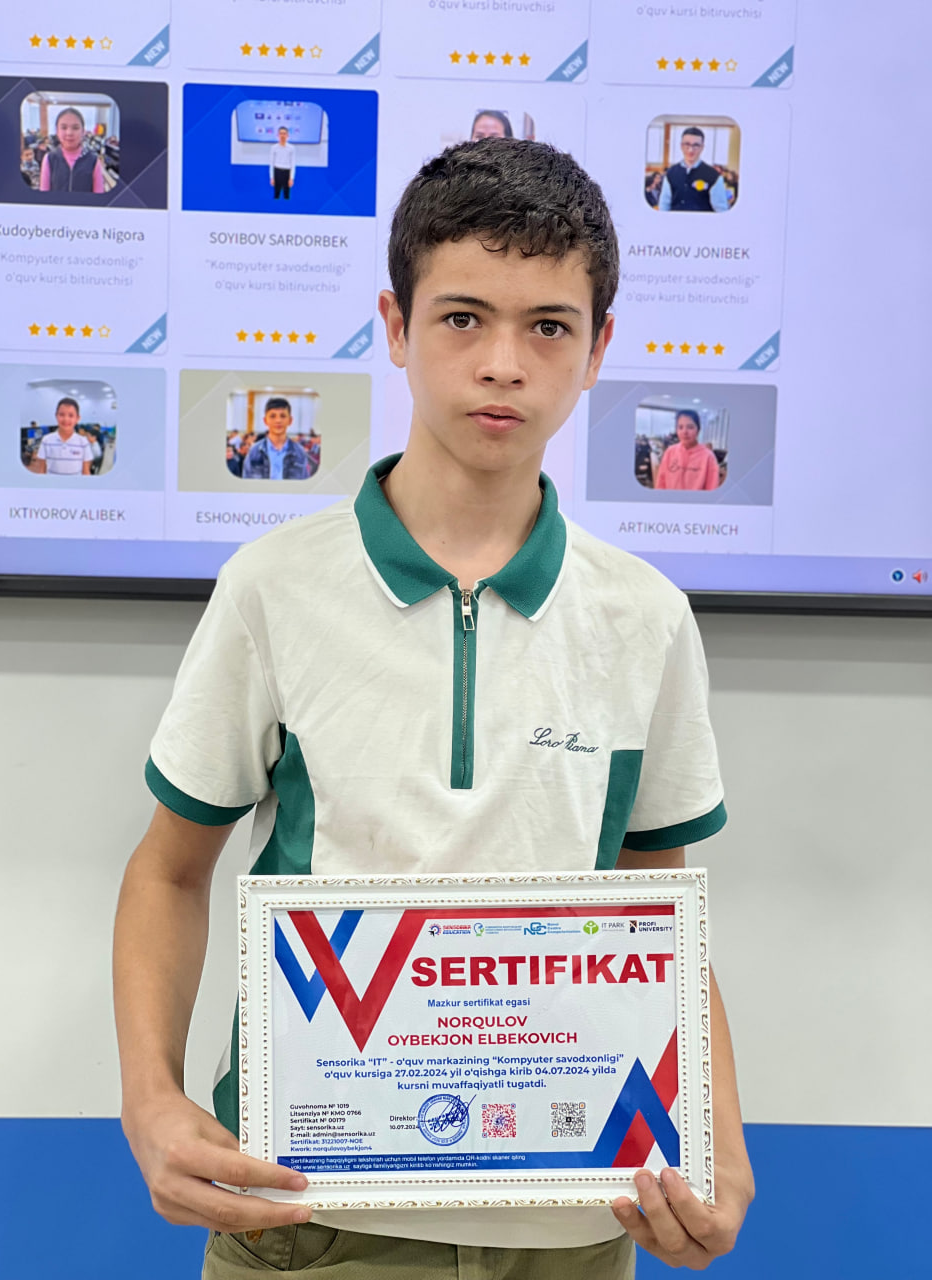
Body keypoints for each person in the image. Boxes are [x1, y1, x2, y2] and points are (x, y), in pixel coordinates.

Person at [114, 138, 753, 1279]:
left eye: (548, 326)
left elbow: (656, 912)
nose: (503, 363)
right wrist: (151, 1098)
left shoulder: (643, 617)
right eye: (463, 317)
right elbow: (169, 871)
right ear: (397, 326)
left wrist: (720, 1139)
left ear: (599, 349)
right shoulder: (274, 588)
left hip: (572, 1224)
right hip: (305, 1216)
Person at [658, 127, 729, 213]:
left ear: (702, 147)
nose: (691, 150)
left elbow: (721, 210)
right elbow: (664, 206)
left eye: (696, 145)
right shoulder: (671, 173)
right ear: (681, 146)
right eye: (687, 144)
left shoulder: (713, 176)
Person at [39, 107, 106, 194]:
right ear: (57, 131)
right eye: (64, 127)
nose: (69, 133)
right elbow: (44, 196)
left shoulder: (93, 160)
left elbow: (99, 197)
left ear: (83, 131)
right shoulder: (49, 159)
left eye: (75, 128)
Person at [241, 398, 311, 479]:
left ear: (290, 420)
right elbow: (246, 481)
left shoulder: (300, 452)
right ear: (265, 420)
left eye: (283, 416)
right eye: (272, 416)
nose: (278, 420)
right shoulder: (254, 452)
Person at [654, 410, 721, 492]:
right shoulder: (670, 452)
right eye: (680, 427)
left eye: (690, 427)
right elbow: (661, 483)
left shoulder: (708, 457)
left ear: (698, 430)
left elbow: (712, 490)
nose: (685, 432)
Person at [34, 397, 94, 475]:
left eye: (71, 415)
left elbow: (86, 472)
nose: (66, 419)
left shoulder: (83, 442)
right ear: (56, 416)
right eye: (61, 415)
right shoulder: (46, 440)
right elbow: (41, 471)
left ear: (77, 418)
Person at [270, 126, 296, 200]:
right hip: (277, 171)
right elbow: (271, 164)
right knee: (276, 195)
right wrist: (272, 177)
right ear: (278, 135)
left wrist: (291, 178)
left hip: (287, 172)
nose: (282, 135)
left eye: (284, 133)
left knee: (286, 195)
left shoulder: (291, 148)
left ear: (287, 135)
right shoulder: (274, 147)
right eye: (281, 133)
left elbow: (293, 164)